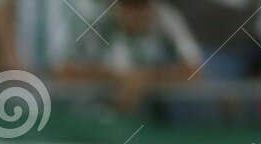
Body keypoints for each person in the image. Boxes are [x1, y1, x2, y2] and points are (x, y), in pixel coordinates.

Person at [57, 0, 202, 114]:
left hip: (151, 123)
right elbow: (64, 72)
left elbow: (194, 71)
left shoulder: (167, 18)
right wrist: (115, 78)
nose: (134, 14)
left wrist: (146, 78)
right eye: (127, 5)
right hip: (91, 119)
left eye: (141, 5)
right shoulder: (91, 20)